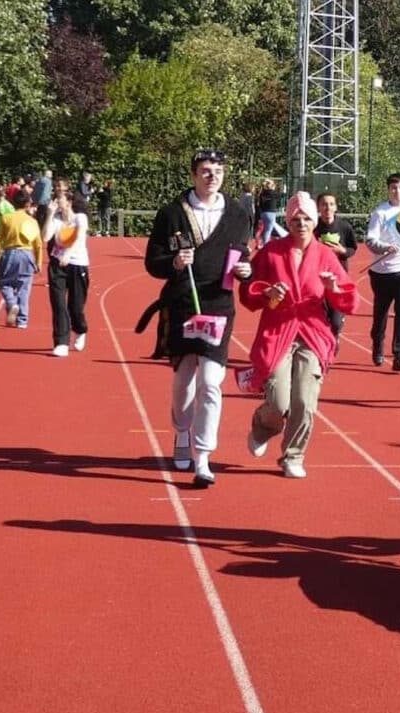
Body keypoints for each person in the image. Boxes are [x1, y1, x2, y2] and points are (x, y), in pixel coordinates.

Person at [143, 150, 253, 488]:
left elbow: (244, 254)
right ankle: (181, 431)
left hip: (219, 304)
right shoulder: (172, 213)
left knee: (211, 380)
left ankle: (203, 457)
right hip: (182, 304)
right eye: (205, 170)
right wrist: (174, 263)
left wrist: (247, 271)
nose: (212, 176)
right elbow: (153, 262)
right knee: (184, 378)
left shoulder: (238, 213)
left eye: (218, 170)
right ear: (193, 174)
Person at [239, 191, 358, 478]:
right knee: (279, 401)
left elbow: (350, 299)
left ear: (315, 222)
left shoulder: (325, 255)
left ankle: (293, 455)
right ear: (288, 221)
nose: (301, 224)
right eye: (295, 219)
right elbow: (248, 292)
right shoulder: (271, 252)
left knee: (304, 400)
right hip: (278, 329)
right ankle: (263, 426)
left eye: (306, 219)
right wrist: (267, 293)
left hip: (313, 333)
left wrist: (333, 289)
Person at [364, 172, 400, 371]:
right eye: (394, 188)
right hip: (383, 272)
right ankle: (378, 345)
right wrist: (385, 247)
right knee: (381, 313)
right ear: (388, 190)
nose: (397, 191)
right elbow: (370, 240)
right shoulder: (381, 213)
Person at [44, 193, 91, 357]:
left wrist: (69, 254)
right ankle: (61, 342)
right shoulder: (56, 219)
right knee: (58, 303)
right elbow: (46, 237)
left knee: (75, 307)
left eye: (59, 199)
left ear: (69, 202)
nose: (56, 202)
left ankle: (80, 329)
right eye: (55, 199)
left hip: (78, 264)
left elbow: (80, 237)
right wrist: (49, 214)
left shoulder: (80, 218)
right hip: (57, 265)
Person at [0, 190, 44, 327]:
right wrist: (38, 261)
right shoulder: (32, 221)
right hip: (27, 253)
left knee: (5, 283)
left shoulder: (6, 218)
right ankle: (22, 320)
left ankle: (11, 302)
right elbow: (38, 244)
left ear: (13, 203)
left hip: (10, 253)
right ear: (27, 204)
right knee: (24, 288)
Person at [314, 192, 358, 343]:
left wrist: (343, 251)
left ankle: (334, 337)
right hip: (317, 277)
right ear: (318, 207)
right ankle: (322, 345)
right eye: (324, 204)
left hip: (338, 277)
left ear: (336, 207)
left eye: (331, 204)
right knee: (319, 317)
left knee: (335, 320)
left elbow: (353, 248)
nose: (328, 208)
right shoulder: (313, 227)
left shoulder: (344, 227)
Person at [257, 179, 284, 248]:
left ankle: (261, 242)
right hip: (271, 213)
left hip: (263, 212)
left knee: (265, 229)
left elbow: (260, 204)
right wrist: (283, 189)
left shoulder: (262, 193)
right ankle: (265, 245)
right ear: (271, 186)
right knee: (268, 230)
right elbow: (281, 196)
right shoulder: (273, 193)